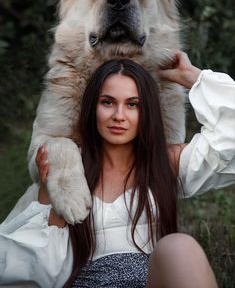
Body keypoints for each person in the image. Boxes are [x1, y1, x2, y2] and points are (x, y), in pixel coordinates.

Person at [0, 51, 235, 288]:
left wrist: (191, 77)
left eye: (132, 104)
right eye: (108, 102)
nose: (119, 116)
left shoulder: (165, 161)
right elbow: (40, 265)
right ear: (93, 107)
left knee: (180, 248)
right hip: (87, 283)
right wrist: (53, 191)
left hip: (153, 280)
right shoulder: (69, 164)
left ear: (147, 111)